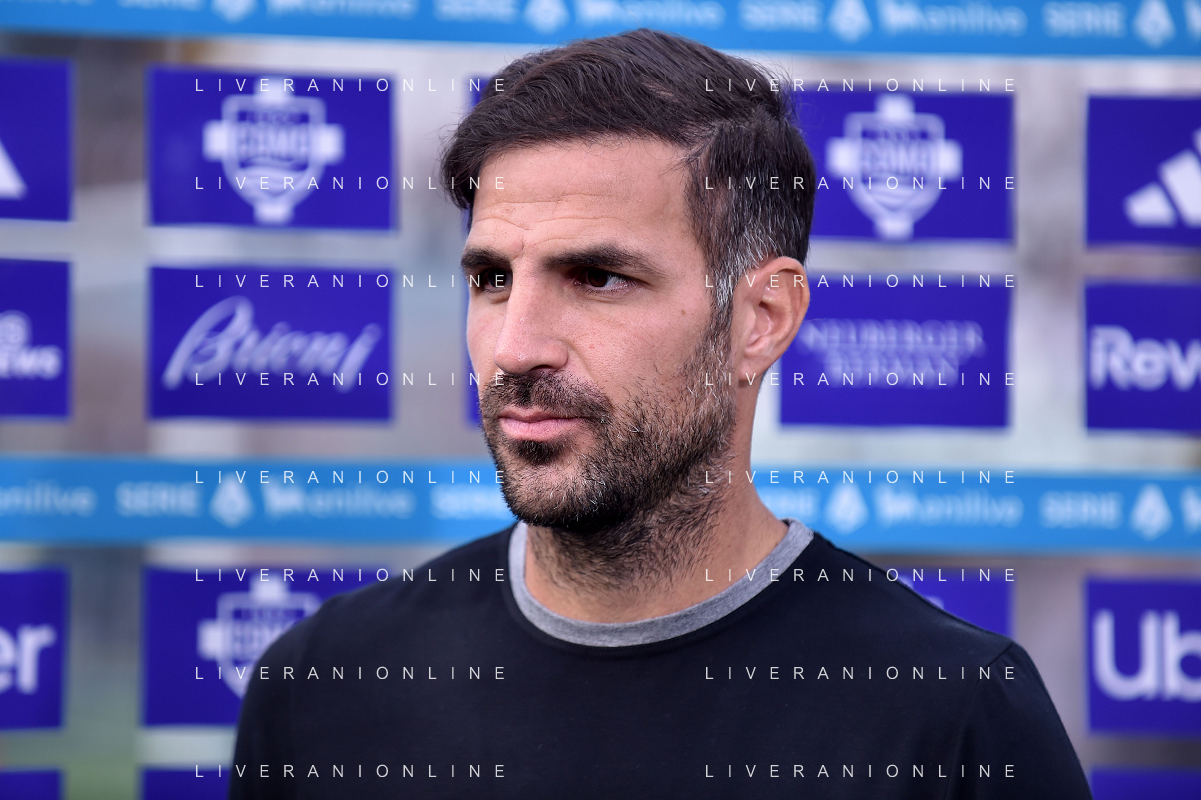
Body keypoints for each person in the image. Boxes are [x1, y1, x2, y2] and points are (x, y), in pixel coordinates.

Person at [229, 28, 1092, 799]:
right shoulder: (326, 688)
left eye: (598, 277)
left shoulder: (951, 718)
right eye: (492, 278)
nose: (514, 347)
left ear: (761, 320)